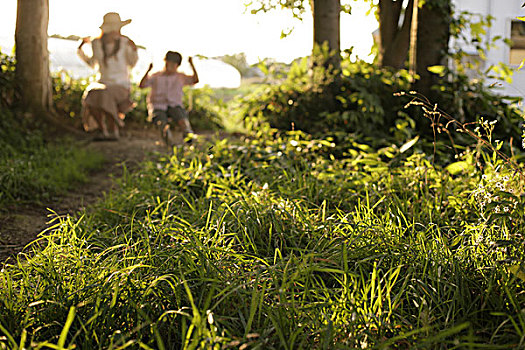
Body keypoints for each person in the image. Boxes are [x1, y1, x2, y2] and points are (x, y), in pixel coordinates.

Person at [77, 12, 139, 139]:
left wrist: (134, 50)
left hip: (121, 85)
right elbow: (91, 62)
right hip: (103, 83)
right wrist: (81, 49)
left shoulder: (125, 42)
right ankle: (103, 129)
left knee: (105, 94)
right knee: (91, 94)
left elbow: (132, 63)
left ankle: (113, 129)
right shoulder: (96, 43)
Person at [139, 51, 199, 145]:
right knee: (162, 124)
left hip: (174, 105)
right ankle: (169, 144)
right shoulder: (156, 76)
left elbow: (195, 80)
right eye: (168, 63)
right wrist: (148, 70)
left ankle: (189, 140)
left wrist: (191, 64)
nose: (169, 66)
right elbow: (142, 85)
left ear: (177, 66)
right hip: (158, 105)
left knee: (183, 121)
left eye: (172, 64)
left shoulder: (180, 77)